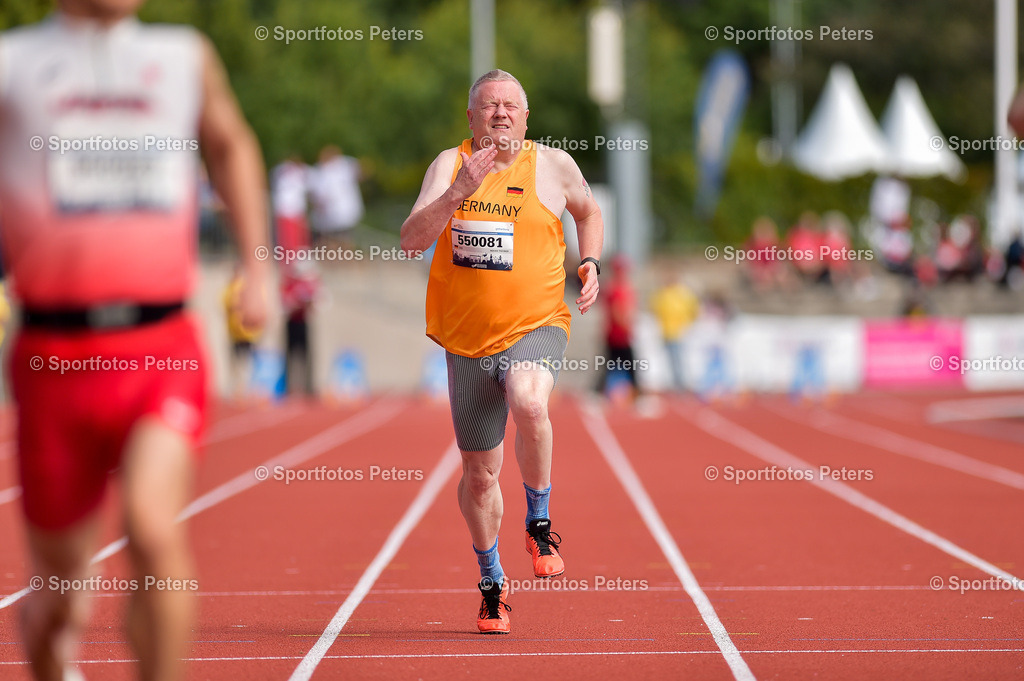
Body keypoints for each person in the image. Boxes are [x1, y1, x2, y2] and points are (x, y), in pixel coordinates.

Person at [0, 2, 270, 680]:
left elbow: (232, 142)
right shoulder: (15, 65)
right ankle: (54, 649)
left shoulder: (185, 56)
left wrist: (258, 265)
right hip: (52, 358)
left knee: (153, 527)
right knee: (60, 596)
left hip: (161, 346)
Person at [400, 69, 602, 635]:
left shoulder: (555, 166)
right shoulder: (448, 165)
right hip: (465, 341)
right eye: (489, 106)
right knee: (481, 476)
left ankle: (540, 521)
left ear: (526, 116)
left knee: (530, 398)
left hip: (536, 324)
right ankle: (492, 583)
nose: (500, 114)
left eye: (511, 105)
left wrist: (591, 261)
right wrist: (458, 192)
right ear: (471, 117)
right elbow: (412, 239)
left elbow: (589, 212)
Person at [596, 255, 640, 398]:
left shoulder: (621, 288)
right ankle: (636, 395)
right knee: (630, 366)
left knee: (611, 365)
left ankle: (598, 392)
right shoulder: (615, 289)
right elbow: (617, 312)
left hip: (619, 334)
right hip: (618, 334)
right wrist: (627, 324)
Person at [308, 144, 365, 250]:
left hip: (341, 213)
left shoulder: (343, 165)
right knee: (332, 241)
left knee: (341, 241)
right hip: (331, 215)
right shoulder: (321, 170)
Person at [650, 272, 699, 392]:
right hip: (667, 332)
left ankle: (681, 384)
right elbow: (656, 309)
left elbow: (693, 309)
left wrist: (687, 325)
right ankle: (676, 384)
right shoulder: (664, 293)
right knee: (672, 360)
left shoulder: (682, 293)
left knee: (678, 359)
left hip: (679, 333)